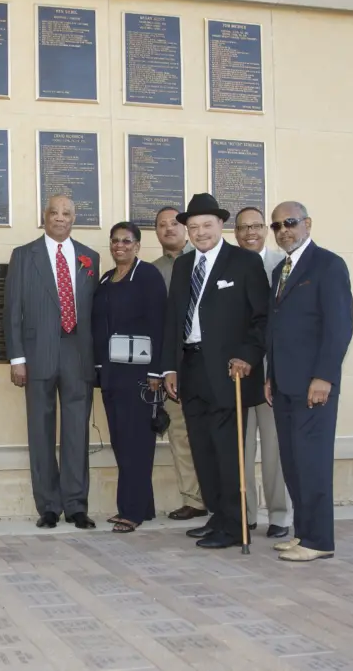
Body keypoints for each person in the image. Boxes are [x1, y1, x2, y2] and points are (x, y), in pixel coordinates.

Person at [155, 193, 269, 549]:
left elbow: (262, 319)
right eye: (193, 227)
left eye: (207, 225)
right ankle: (218, 517)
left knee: (227, 451)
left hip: (229, 372)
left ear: (221, 225)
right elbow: (173, 320)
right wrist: (169, 368)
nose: (200, 232)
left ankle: (235, 525)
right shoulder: (184, 266)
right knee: (202, 449)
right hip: (191, 369)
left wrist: (247, 357)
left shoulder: (245, 263)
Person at [4, 194, 100, 530]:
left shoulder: (90, 257)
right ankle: (47, 505)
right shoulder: (23, 256)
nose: (60, 218)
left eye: (67, 213)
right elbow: (12, 310)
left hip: (77, 353)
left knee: (77, 432)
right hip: (37, 354)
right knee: (40, 430)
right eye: (54, 212)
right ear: (44, 216)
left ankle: (76, 504)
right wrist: (17, 358)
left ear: (75, 218)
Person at [266, 201, 353, 562]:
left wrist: (324, 376)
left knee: (313, 462)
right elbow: (276, 329)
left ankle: (319, 541)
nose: (283, 230)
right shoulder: (280, 271)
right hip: (284, 385)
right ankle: (304, 534)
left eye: (290, 222)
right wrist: (270, 376)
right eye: (277, 226)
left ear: (307, 224)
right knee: (293, 462)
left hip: (313, 386)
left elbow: (339, 327)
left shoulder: (328, 265)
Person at [91, 222, 167, 533]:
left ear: (137, 245)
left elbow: (160, 323)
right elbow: (99, 327)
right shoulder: (107, 279)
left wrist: (156, 372)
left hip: (140, 375)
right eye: (115, 241)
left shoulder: (147, 276)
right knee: (122, 442)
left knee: (137, 444)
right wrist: (98, 369)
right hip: (112, 374)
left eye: (126, 241)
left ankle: (131, 511)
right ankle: (144, 506)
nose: (119, 246)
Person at [233, 207, 293, 538]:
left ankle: (281, 516)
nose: (250, 233)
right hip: (240, 372)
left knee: (274, 450)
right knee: (241, 449)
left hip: (273, 373)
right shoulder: (229, 265)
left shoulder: (282, 265)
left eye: (256, 226)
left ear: (266, 230)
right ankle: (245, 513)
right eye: (243, 228)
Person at [150, 207, 206, 522]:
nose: (169, 228)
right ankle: (194, 499)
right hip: (175, 367)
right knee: (181, 434)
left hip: (210, 365)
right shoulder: (153, 271)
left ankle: (222, 499)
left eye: (175, 223)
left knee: (214, 434)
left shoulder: (207, 259)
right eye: (162, 225)